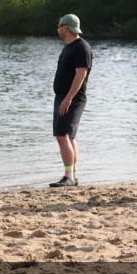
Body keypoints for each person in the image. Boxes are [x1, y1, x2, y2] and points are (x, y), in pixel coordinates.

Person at [50, 14, 92, 187]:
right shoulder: (69, 47)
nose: (58, 29)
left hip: (72, 98)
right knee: (69, 136)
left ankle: (68, 176)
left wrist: (68, 99)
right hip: (62, 97)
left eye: (59, 26)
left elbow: (81, 74)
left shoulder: (82, 47)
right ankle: (72, 175)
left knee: (62, 135)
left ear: (65, 27)